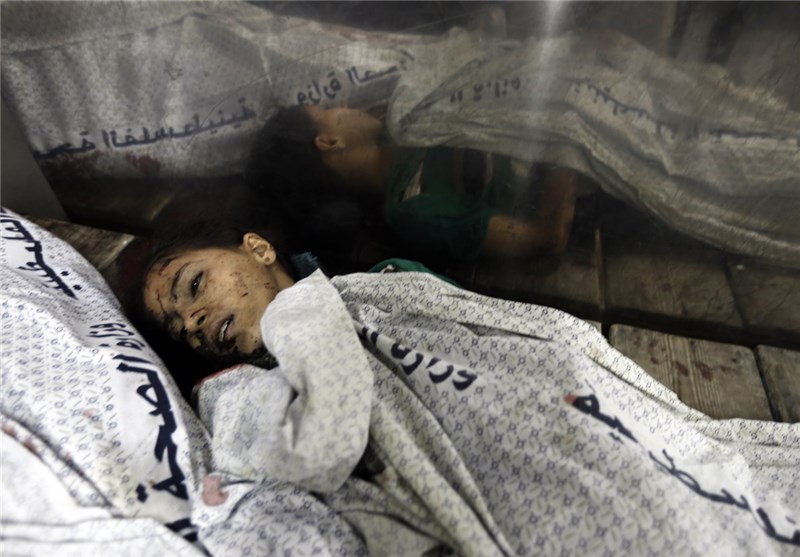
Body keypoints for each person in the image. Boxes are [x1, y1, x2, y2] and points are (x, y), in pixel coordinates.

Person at [140, 222, 800, 557]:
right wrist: (296, 313)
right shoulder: (242, 391)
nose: (193, 321)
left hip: (571, 409)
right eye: (179, 327)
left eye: (194, 286)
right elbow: (320, 448)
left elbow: (530, 336)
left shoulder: (388, 281)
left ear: (257, 248)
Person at [247, 105, 580, 261]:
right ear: (330, 142)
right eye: (331, 110)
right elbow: (545, 237)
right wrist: (569, 145)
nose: (347, 105)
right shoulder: (413, 207)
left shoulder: (411, 121)